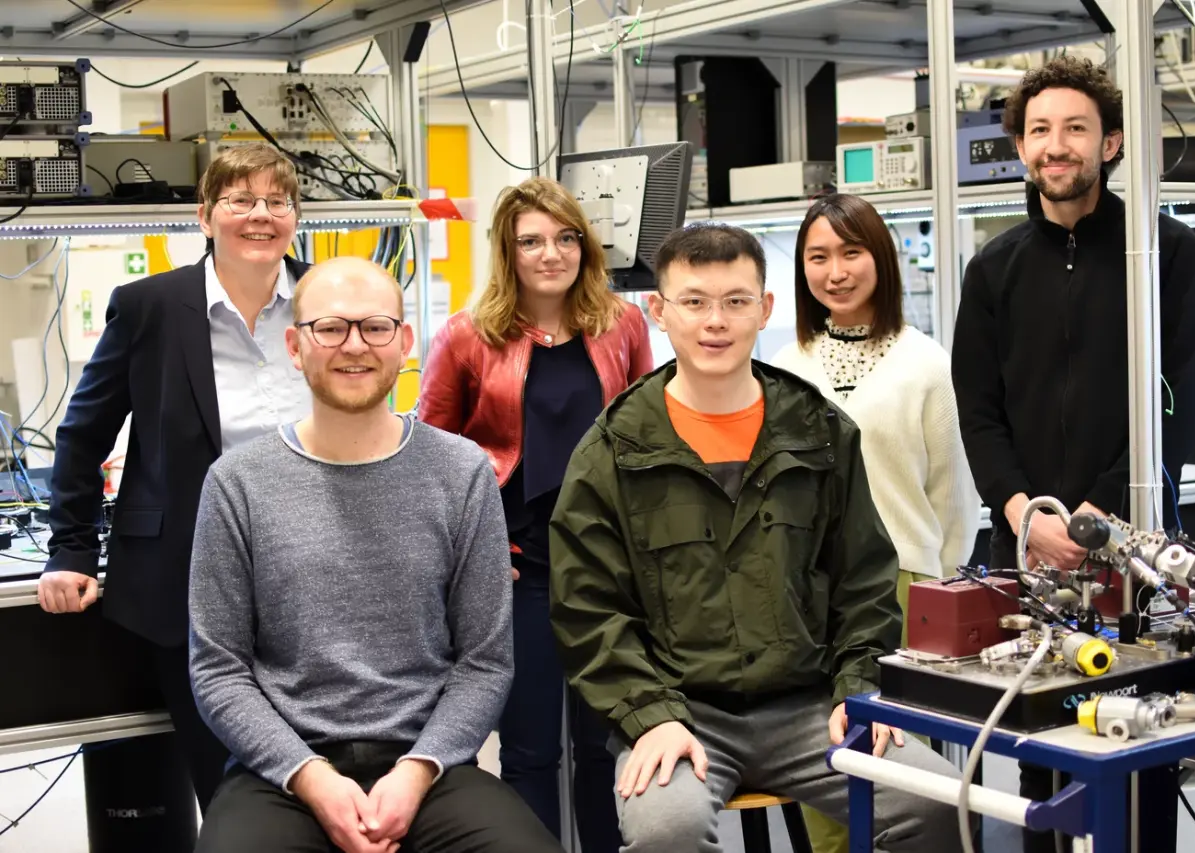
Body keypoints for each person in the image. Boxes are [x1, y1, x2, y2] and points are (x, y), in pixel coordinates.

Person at [548, 222, 961, 853]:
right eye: (694, 302)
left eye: (736, 301)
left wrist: (860, 690)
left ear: (765, 309)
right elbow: (588, 609)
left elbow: (864, 580)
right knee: (667, 833)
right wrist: (648, 717)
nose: (716, 321)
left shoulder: (819, 431)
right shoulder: (613, 449)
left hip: (810, 706)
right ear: (658, 311)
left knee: (935, 803)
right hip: (682, 712)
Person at [188, 256, 562, 853]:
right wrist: (310, 778)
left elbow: (486, 661)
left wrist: (418, 771)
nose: (353, 346)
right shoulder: (238, 483)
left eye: (375, 327)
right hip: (285, 773)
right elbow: (218, 668)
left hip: (430, 766)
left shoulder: (461, 473)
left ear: (405, 340)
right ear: (294, 344)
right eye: (330, 328)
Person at [951, 56, 1195, 853]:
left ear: (1110, 144)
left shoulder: (1162, 251)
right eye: (1039, 131)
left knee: (1141, 749)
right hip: (1027, 548)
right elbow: (979, 410)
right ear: (1022, 147)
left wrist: (1105, 510)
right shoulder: (994, 268)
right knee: (1042, 760)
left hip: (1133, 552)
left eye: (1074, 128)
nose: (1054, 145)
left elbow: (1185, 402)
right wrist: (1023, 510)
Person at [38, 142, 312, 811]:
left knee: (321, 772)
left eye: (277, 201)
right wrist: (70, 548)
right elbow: (82, 436)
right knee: (230, 787)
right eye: (241, 200)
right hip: (187, 582)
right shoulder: (150, 307)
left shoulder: (327, 298)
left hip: (312, 578)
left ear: (295, 217)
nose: (260, 214)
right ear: (204, 215)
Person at [419, 176, 651, 851]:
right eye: (532, 241)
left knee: (606, 748)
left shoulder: (622, 324)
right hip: (517, 567)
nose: (551, 253)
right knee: (527, 751)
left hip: (605, 567)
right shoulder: (467, 336)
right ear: (508, 251)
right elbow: (431, 462)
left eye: (565, 237)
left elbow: (642, 440)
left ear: (584, 244)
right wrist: (472, 557)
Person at [772, 193, 981, 853]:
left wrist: (937, 590)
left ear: (880, 258)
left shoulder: (926, 363)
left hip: (904, 587)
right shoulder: (782, 366)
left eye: (851, 251)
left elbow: (954, 492)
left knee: (900, 769)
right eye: (819, 256)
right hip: (806, 596)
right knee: (828, 758)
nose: (836, 270)